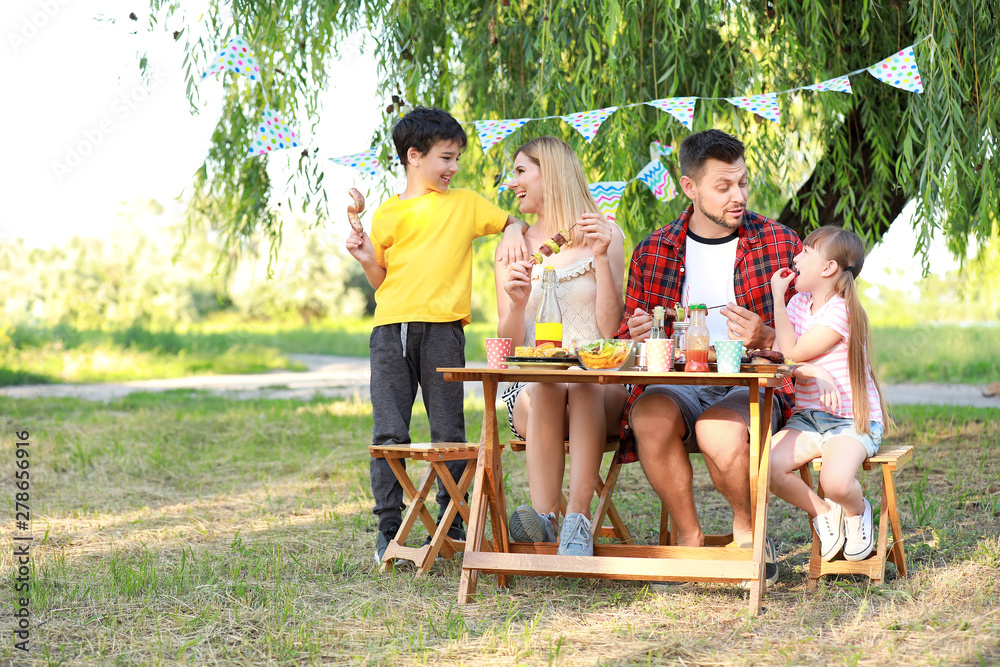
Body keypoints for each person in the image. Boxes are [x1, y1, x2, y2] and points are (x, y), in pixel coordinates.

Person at [616, 129, 801, 586]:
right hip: (680, 382)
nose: (737, 196)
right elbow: (625, 340)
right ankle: (690, 537)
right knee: (649, 415)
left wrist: (768, 334)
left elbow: (813, 334)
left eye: (741, 183)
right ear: (689, 187)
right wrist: (636, 337)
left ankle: (747, 534)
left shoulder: (779, 243)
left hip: (752, 385)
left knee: (716, 429)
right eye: (723, 187)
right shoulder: (653, 251)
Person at [345, 106, 529, 565]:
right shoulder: (388, 213)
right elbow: (381, 279)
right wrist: (367, 257)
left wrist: (513, 232)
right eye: (446, 158)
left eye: (456, 160)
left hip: (445, 331)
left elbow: (513, 222)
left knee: (450, 431)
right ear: (414, 156)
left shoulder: (466, 204)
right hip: (390, 330)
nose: (453, 168)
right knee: (389, 432)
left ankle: (454, 520)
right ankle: (389, 526)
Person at [496, 136, 628, 557]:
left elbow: (610, 327)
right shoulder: (513, 246)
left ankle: (577, 518)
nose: (511, 182)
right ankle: (545, 517)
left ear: (549, 173)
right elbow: (508, 346)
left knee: (581, 379)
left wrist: (604, 257)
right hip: (534, 390)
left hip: (600, 380)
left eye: (520, 171)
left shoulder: (605, 234)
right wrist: (517, 306)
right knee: (552, 381)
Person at [768, 226, 892, 563]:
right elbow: (780, 362)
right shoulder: (798, 306)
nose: (795, 257)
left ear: (828, 269)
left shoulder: (840, 311)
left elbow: (790, 350)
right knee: (766, 467)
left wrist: (776, 299)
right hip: (808, 420)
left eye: (805, 252)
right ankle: (824, 512)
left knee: (836, 482)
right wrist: (812, 371)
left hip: (849, 420)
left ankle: (855, 511)